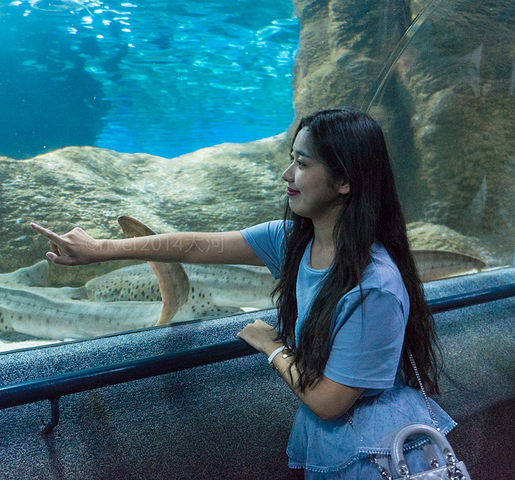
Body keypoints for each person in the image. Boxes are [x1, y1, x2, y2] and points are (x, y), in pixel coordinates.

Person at [31, 108, 455, 479]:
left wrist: (271, 346)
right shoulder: (294, 241)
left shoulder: (374, 287)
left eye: (302, 164)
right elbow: (195, 246)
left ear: (344, 181)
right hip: (336, 443)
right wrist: (100, 250)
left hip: (375, 453)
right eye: (291, 160)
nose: (287, 175)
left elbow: (329, 403)